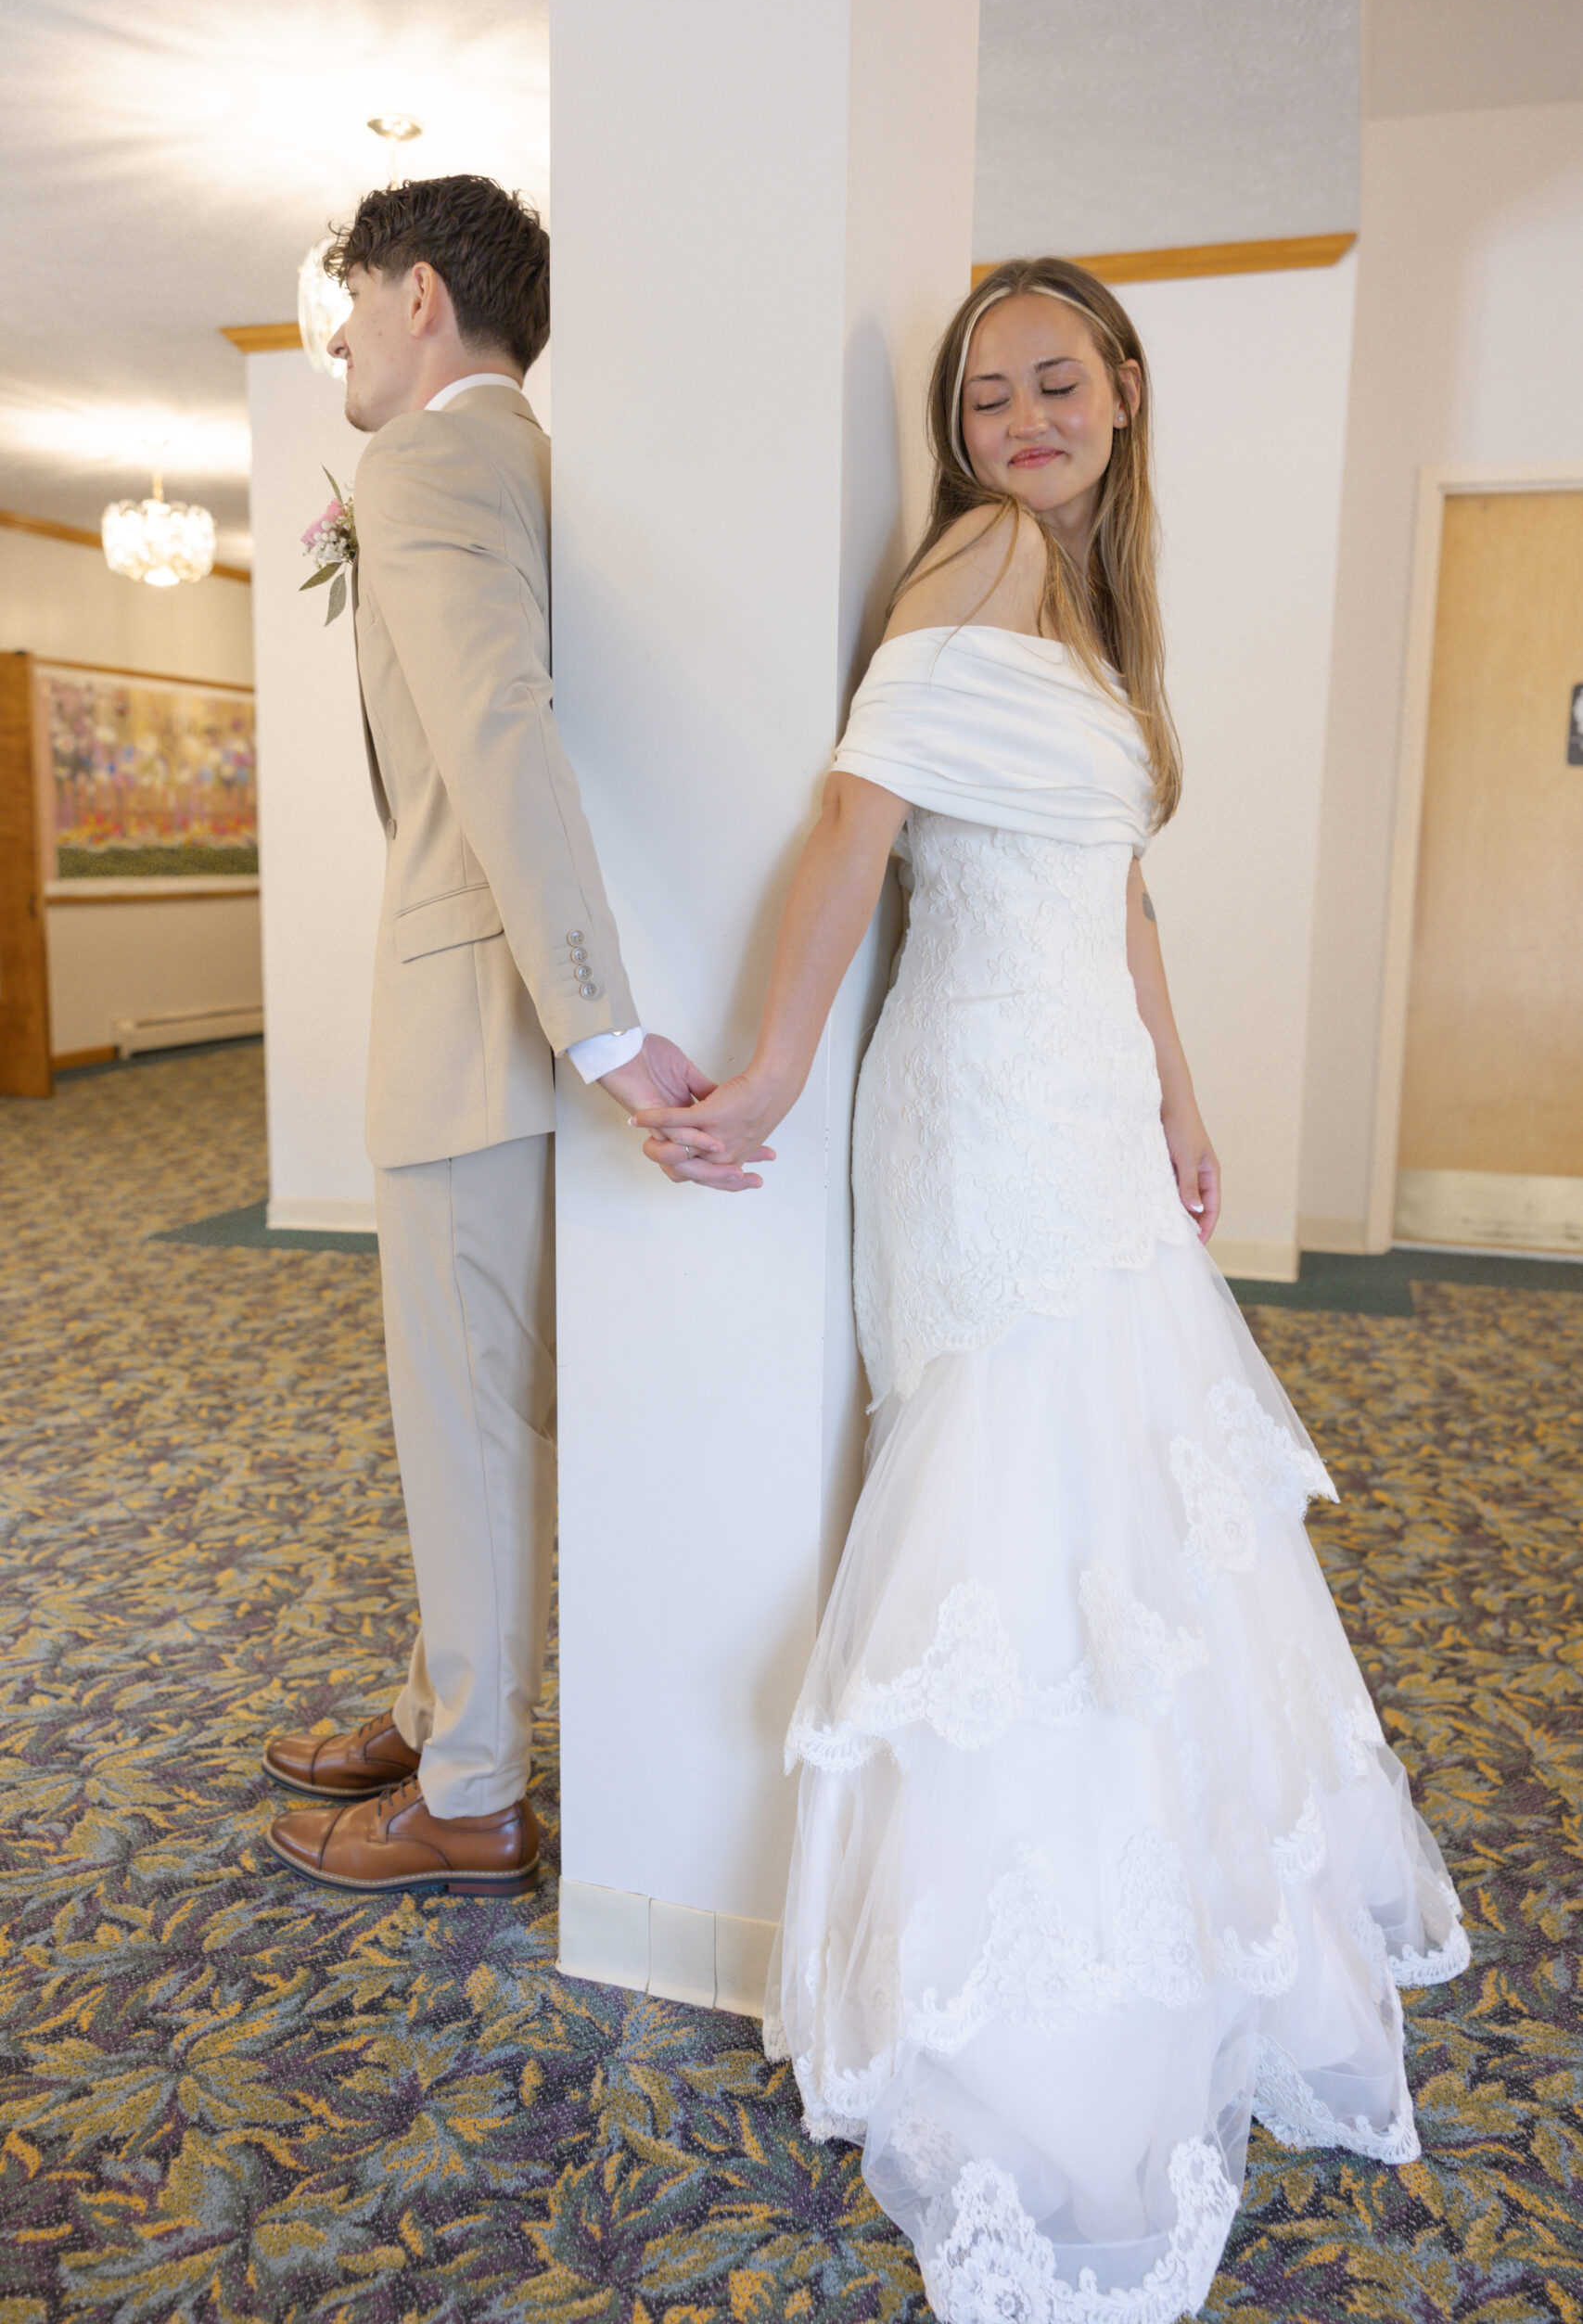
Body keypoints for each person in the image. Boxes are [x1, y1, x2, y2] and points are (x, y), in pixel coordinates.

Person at [636, 259, 1469, 2318]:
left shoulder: (1091, 606)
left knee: (1130, 1503)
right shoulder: (989, 555)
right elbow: (857, 816)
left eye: (1050, 380)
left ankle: (1159, 1899)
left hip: (1083, 1090)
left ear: (1121, 387)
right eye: (983, 390)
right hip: (987, 1103)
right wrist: (769, 1066)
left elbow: (1124, 888)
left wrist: (1179, 1091)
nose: (1018, 416)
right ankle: (1029, 1984)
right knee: (1036, 1493)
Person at [263, 176, 762, 1900]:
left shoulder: (423, 465)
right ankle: (435, 1706)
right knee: (486, 1416)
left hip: (478, 1024)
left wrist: (603, 1024)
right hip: (505, 1025)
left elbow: (495, 725)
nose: (334, 334)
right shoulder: (540, 467)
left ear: (417, 296)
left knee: (464, 1421)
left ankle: (470, 1793)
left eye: (347, 300)